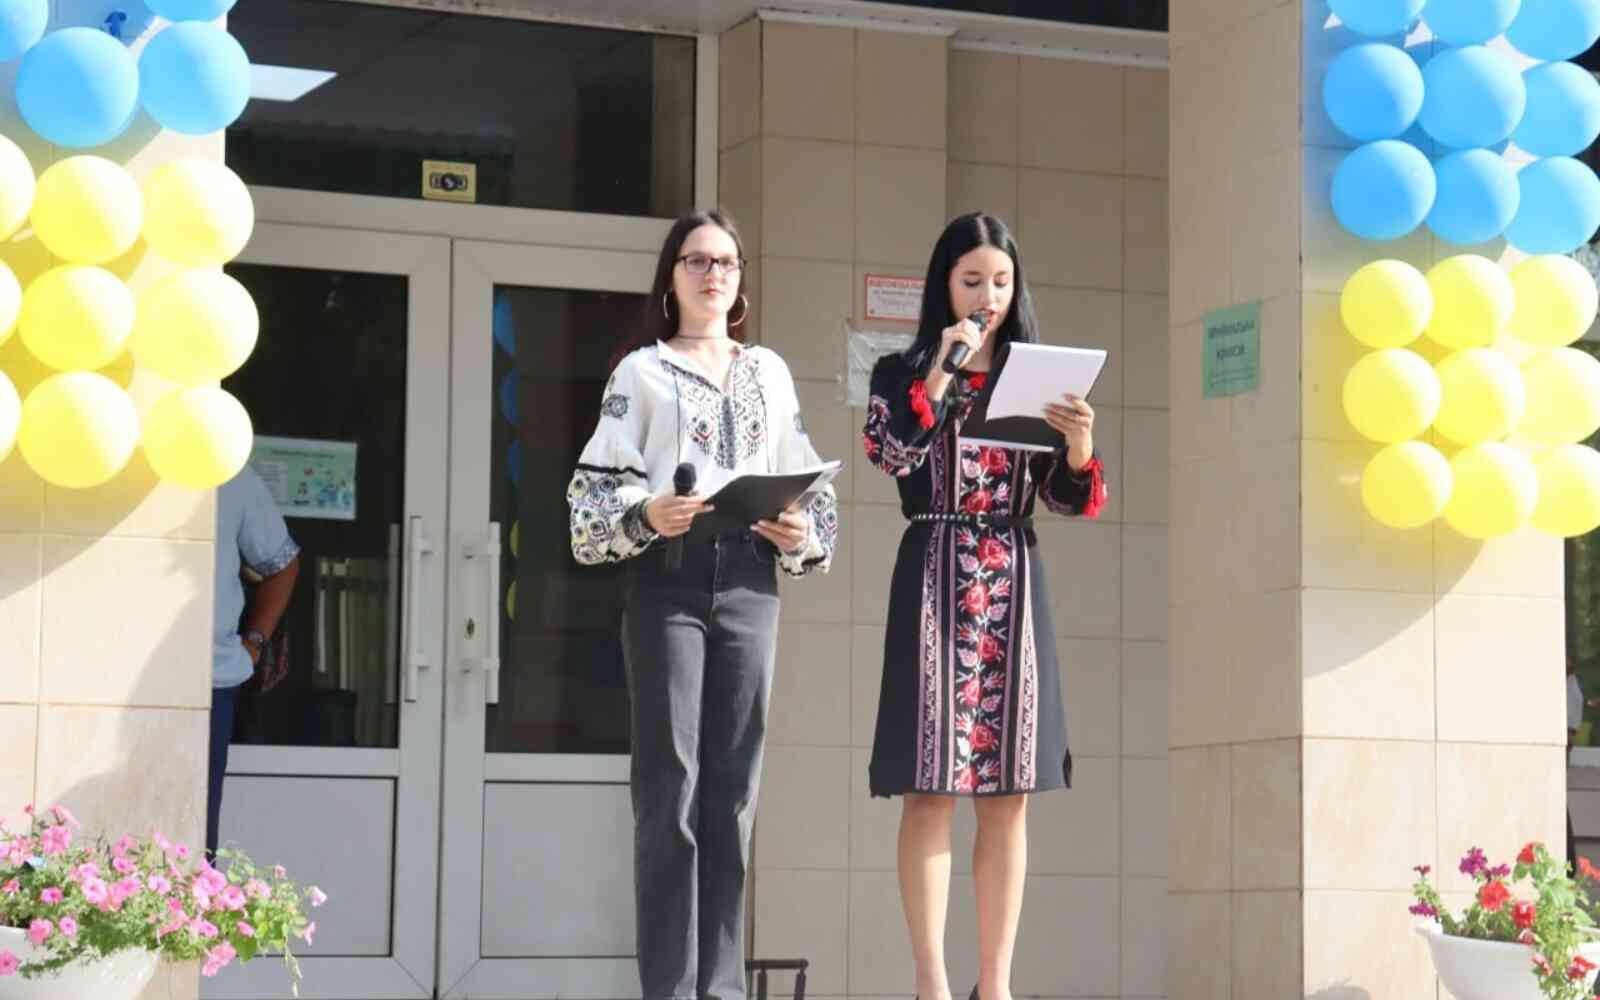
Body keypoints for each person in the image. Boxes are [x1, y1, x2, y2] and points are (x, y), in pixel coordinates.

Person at [566, 208, 838, 1000]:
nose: (712, 274)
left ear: (740, 281)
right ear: (671, 278)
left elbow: (809, 488)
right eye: (695, 261)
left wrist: (797, 530)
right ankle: (671, 991)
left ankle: (719, 989)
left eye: (725, 262)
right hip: (669, 581)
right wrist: (645, 514)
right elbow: (590, 499)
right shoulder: (639, 373)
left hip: (752, 580)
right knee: (671, 790)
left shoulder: (770, 372)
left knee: (734, 792)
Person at [862, 212, 1106, 1000]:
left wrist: (1077, 447)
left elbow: (1067, 499)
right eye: (973, 281)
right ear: (944, 284)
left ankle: (993, 987)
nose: (989, 296)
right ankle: (931, 985)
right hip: (933, 568)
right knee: (929, 788)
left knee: (1009, 796)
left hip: (1010, 575)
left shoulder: (1035, 376)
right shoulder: (899, 370)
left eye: (1001, 282)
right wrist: (938, 371)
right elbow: (890, 452)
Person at [209, 465, 301, 858]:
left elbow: (282, 564)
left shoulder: (225, 471)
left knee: (193, 831)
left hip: (208, 682)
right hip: (104, 680)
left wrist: (255, 641)